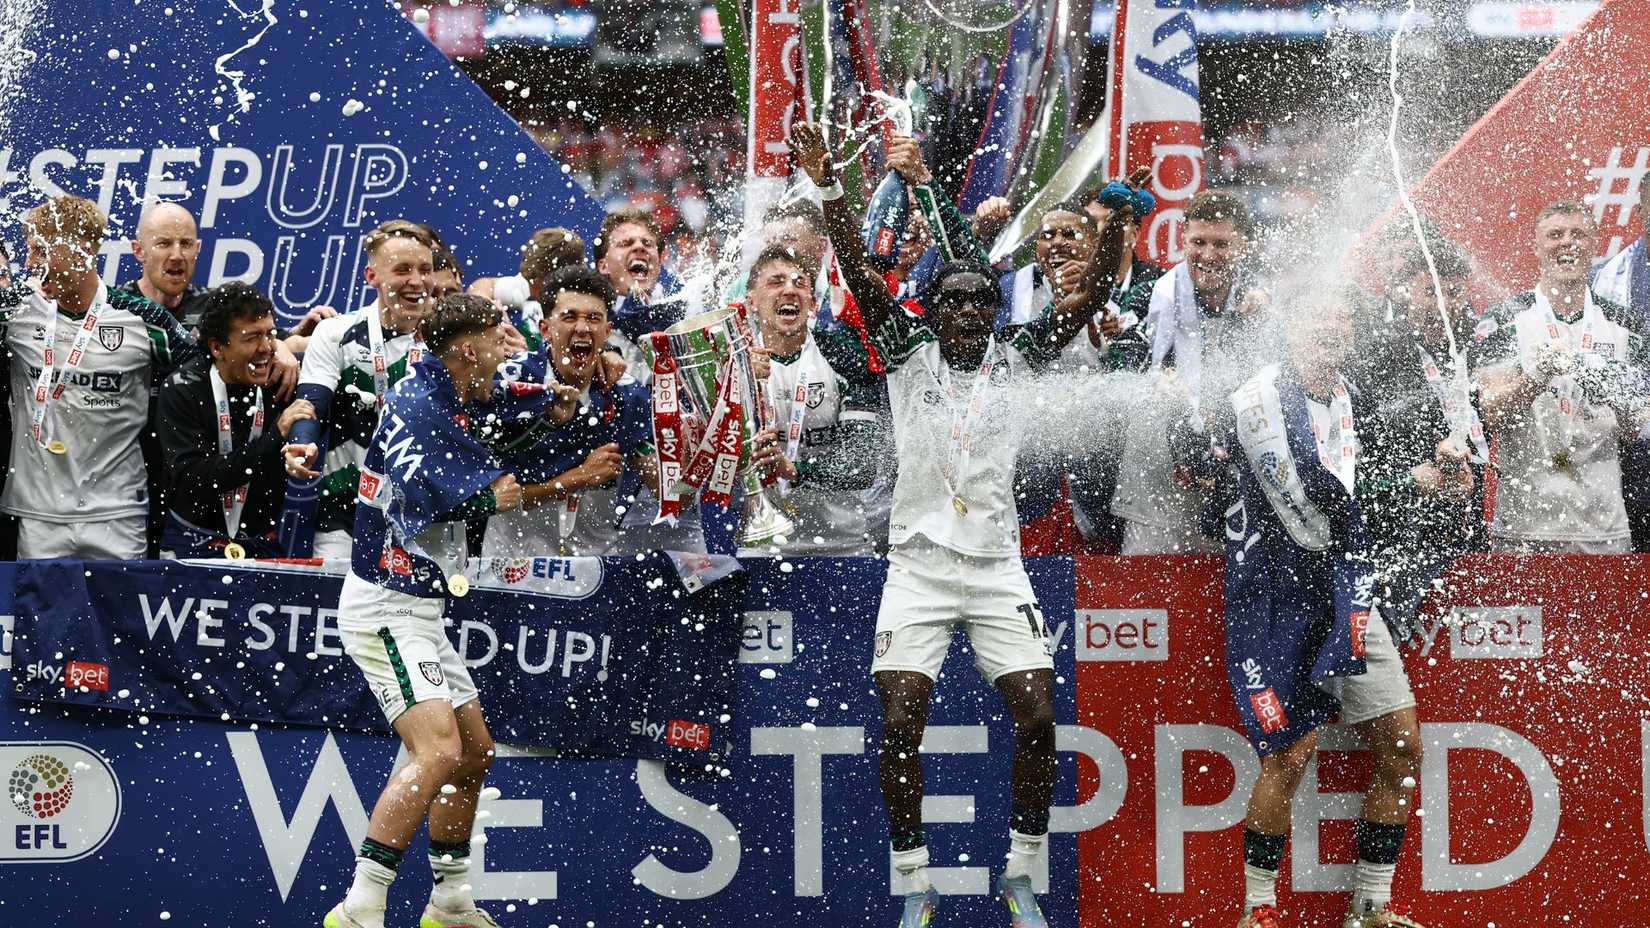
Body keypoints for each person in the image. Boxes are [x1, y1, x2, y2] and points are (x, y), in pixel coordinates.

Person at [790, 120, 1124, 928]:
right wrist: (831, 184)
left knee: (1040, 717)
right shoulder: (906, 350)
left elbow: (1096, 296)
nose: (971, 313)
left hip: (998, 566)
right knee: (901, 718)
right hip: (917, 567)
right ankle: (916, 882)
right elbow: (863, 275)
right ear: (934, 311)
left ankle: (1022, 873)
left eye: (982, 301)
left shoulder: (1018, 355)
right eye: (956, 301)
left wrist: (1116, 227)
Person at [326, 294, 577, 928]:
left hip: (418, 605)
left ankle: (450, 902)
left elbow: (511, 403)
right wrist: (562, 477)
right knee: (436, 753)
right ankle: (360, 909)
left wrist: (558, 398)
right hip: (384, 603)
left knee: (472, 754)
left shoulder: (451, 387)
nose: (508, 344)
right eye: (498, 335)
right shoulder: (419, 407)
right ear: (467, 347)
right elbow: (487, 498)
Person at [1220, 289, 1423, 928]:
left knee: (1401, 748)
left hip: (1349, 588)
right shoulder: (1258, 399)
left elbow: (1367, 486)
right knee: (1288, 755)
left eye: (1341, 318)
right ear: (1289, 327)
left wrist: (1440, 474)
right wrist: (1408, 483)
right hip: (1279, 594)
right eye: (1317, 317)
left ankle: (1370, 906)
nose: (1331, 329)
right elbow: (1311, 490)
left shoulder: (1354, 398)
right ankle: (1258, 911)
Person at [1, 194, 202, 559]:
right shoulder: (16, 309)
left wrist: (282, 347)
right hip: (38, 515)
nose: (30, 264)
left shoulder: (142, 318)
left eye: (39, 251)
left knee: (119, 618)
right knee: (45, 619)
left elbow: (210, 370)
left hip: (119, 514)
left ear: (80, 250)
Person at [1108, 189, 1276, 554]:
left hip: (1234, 486)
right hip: (1155, 490)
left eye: (1222, 244)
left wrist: (1261, 319)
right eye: (1198, 242)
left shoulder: (1262, 303)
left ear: (1243, 246)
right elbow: (1121, 361)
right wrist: (1154, 379)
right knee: (1151, 602)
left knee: (1226, 606)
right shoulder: (1150, 295)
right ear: (1183, 240)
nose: (1208, 255)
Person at [1473, 201, 1646, 553]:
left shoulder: (1626, 325)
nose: (1568, 242)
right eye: (1555, 235)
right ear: (1536, 246)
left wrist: (1614, 391)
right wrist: (1536, 374)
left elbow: (1638, 429)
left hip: (1604, 529)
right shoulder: (1504, 320)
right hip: (1526, 529)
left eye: (1578, 234)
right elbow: (1491, 411)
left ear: (1594, 244)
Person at [282, 219, 439, 559]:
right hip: (343, 510)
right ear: (372, 277)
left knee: (413, 613)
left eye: (425, 269)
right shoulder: (336, 333)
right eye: (402, 270)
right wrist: (300, 443)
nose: (417, 281)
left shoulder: (449, 340)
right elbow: (312, 403)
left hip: (420, 514)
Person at [1353, 242, 1486, 637]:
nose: (1443, 305)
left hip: (1472, 526)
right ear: (1407, 292)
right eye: (1431, 292)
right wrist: (1419, 475)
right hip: (1401, 534)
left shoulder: (1480, 346)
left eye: (1454, 292)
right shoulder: (1377, 351)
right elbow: (1364, 452)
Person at [478, 265, 656, 556]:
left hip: (595, 568)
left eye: (594, 318)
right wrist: (577, 479)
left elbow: (670, 493)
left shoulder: (628, 394)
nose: (583, 328)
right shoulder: (509, 385)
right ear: (545, 328)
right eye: (569, 316)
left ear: (608, 331)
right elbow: (487, 498)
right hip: (514, 563)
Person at [155, 283, 316, 558]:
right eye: (252, 338)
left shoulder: (280, 378)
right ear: (218, 347)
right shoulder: (183, 388)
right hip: (193, 542)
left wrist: (301, 448)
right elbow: (194, 481)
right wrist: (276, 436)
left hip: (261, 542)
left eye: (270, 335)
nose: (266, 348)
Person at [743, 243, 883, 555]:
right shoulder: (733, 365)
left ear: (813, 304)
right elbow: (716, 468)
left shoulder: (846, 355)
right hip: (763, 546)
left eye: (800, 283)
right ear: (751, 301)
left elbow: (861, 465)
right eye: (776, 282)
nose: (790, 290)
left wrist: (793, 469)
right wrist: (737, 386)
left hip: (843, 546)